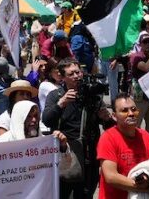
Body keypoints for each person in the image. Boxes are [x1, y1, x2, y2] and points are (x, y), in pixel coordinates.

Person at [42, 59, 114, 199]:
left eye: (78, 72)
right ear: (62, 77)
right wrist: (61, 103)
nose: (77, 76)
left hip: (91, 155)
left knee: (88, 192)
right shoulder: (55, 95)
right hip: (68, 154)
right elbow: (46, 120)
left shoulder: (92, 95)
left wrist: (107, 118)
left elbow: (110, 127)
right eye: (71, 74)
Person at [97, 93, 149, 199]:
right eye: (124, 111)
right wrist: (144, 187)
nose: (131, 113)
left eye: (133, 109)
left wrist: (148, 178)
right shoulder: (108, 138)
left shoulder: (146, 136)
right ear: (114, 116)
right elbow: (111, 177)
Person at [128, 33, 149, 142]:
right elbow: (146, 67)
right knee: (135, 126)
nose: (147, 45)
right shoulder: (136, 57)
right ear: (140, 44)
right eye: (145, 42)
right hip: (139, 99)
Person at [0, 100, 68, 147]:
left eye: (36, 116)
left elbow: (64, 166)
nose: (34, 120)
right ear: (19, 120)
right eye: (28, 116)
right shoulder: (0, 144)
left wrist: (62, 147)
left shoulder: (44, 143)